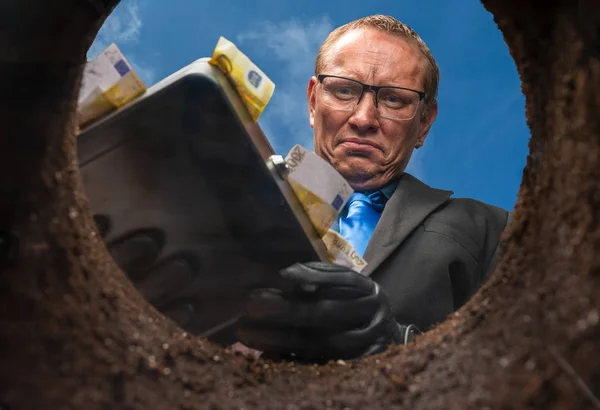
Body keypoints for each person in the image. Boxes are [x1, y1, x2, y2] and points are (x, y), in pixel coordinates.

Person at [234, 14, 511, 361]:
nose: (364, 118)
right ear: (312, 101)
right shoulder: (235, 210)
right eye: (344, 90)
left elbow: (523, 366)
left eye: (394, 99)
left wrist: (400, 347)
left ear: (424, 122)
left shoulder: (491, 231)